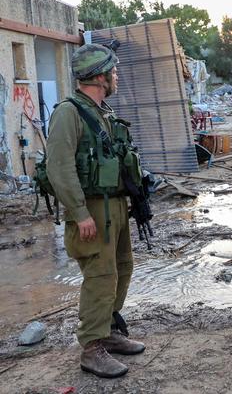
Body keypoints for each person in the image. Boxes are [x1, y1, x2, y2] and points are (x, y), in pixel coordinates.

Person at [46, 43, 145, 378]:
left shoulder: (103, 113)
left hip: (113, 205)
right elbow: (59, 167)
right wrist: (79, 213)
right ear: (100, 76)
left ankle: (108, 332)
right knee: (100, 278)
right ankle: (91, 348)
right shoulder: (69, 113)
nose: (116, 76)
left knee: (121, 268)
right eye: (113, 71)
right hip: (90, 210)